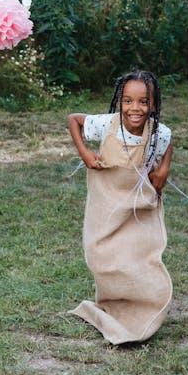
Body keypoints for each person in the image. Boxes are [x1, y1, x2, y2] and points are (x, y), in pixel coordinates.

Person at [67, 69, 173, 345]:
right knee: (100, 253)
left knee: (137, 255)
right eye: (127, 101)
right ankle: (112, 301)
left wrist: (164, 169)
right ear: (120, 102)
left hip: (136, 205)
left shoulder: (157, 132)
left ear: (154, 105)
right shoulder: (107, 124)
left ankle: (143, 308)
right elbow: (73, 120)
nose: (134, 108)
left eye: (143, 102)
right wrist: (85, 153)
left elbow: (168, 140)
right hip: (106, 200)